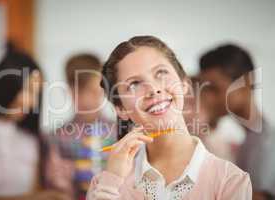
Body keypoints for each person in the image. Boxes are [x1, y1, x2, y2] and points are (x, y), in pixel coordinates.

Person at [87, 36, 252, 200]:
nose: (153, 89)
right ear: (121, 108)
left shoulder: (230, 181)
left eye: (160, 72)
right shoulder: (103, 186)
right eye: (134, 84)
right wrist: (111, 183)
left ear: (184, 83)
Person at [0, 44, 70, 200]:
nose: (32, 103)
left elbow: (33, 191)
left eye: (36, 94)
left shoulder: (32, 139)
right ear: (7, 86)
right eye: (28, 91)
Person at [199, 44, 275, 199]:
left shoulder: (266, 143)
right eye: (204, 89)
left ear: (247, 81)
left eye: (214, 89)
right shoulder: (248, 140)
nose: (207, 98)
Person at [45, 54, 116, 200]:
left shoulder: (120, 133)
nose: (87, 100)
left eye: (94, 91)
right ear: (69, 91)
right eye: (79, 91)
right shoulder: (56, 137)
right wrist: (60, 186)